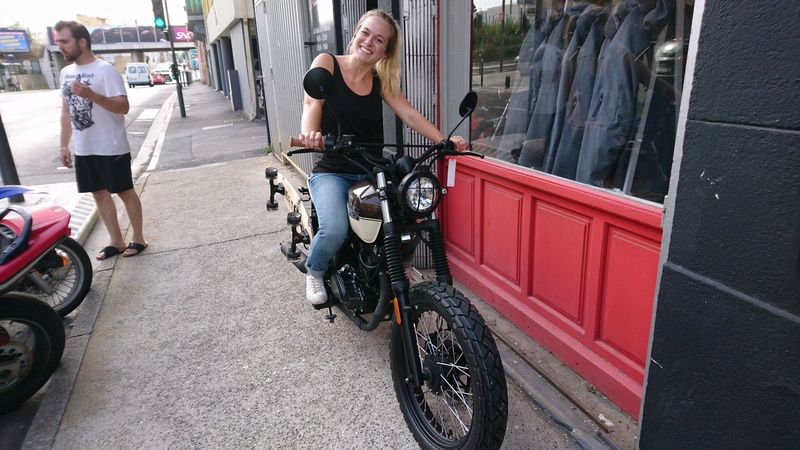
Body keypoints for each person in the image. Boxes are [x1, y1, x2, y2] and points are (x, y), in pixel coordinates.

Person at [298, 9, 468, 305]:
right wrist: (311, 135)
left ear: (385, 51)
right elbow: (312, 103)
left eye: (379, 40)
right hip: (334, 169)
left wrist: (444, 140)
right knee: (335, 228)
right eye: (365, 33)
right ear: (355, 33)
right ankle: (314, 270)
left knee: (411, 207)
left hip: (370, 168)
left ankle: (399, 266)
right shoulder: (327, 63)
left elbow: (410, 115)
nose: (369, 42)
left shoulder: (380, 79)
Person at [54, 20, 147, 260]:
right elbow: (66, 112)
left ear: (81, 42)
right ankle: (116, 241)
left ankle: (138, 238)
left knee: (124, 191)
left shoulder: (105, 70)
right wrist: (64, 145)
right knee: (98, 193)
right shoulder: (66, 73)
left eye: (64, 41)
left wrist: (91, 95)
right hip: (84, 147)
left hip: (110, 145)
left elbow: (123, 107)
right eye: (58, 42)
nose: (60, 47)